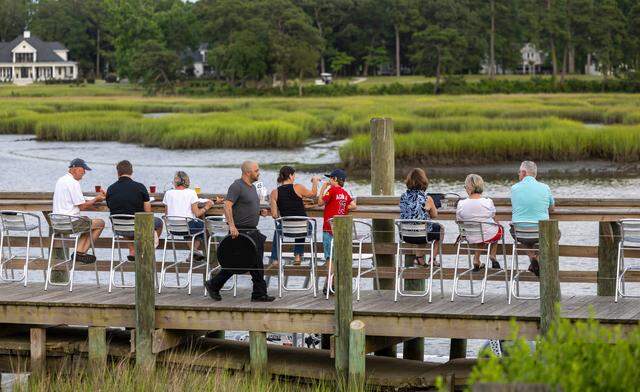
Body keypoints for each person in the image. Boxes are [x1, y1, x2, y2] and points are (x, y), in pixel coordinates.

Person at [205, 161, 275, 302]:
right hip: (241, 232)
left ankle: (258, 293)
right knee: (241, 262)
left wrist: (260, 212)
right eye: (256, 170)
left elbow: (246, 206)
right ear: (248, 172)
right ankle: (214, 284)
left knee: (253, 263)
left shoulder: (252, 187)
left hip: (252, 231)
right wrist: (232, 226)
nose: (258, 172)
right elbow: (227, 205)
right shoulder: (237, 186)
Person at [106, 160, 163, 261]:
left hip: (119, 228)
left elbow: (112, 208)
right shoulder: (140, 187)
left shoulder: (110, 189)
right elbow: (148, 213)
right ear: (131, 172)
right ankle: (148, 249)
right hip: (137, 226)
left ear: (117, 172)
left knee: (124, 219)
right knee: (158, 222)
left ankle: (132, 250)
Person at [52, 158, 106, 264]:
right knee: (100, 223)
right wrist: (96, 199)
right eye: (82, 170)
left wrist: (92, 199)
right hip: (70, 222)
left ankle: (79, 253)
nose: (84, 173)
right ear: (74, 169)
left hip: (57, 223)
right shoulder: (73, 183)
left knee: (87, 223)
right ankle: (80, 253)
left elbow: (74, 199)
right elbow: (82, 206)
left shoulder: (61, 180)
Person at [510, 160, 555, 276]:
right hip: (540, 231)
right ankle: (537, 257)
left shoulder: (514, 188)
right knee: (556, 233)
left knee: (519, 233)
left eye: (519, 172)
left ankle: (532, 258)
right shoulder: (545, 188)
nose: (518, 174)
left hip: (520, 232)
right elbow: (552, 208)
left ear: (524, 173)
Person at [269, 166, 320, 265]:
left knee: (278, 228)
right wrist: (315, 181)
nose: (294, 178)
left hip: (286, 230)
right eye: (294, 175)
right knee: (303, 223)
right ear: (290, 176)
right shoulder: (298, 187)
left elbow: (275, 215)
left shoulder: (274, 193)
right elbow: (313, 194)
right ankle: (297, 256)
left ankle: (275, 259)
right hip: (303, 228)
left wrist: (285, 215)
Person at [162, 171, 216, 261]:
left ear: (175, 182)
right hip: (187, 227)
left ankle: (193, 252)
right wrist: (207, 207)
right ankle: (207, 258)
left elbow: (166, 214)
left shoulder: (168, 193)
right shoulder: (191, 193)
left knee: (189, 226)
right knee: (205, 227)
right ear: (187, 181)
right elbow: (197, 213)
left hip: (172, 229)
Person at [456, 174, 503, 271]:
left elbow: (458, 220)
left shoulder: (461, 203)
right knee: (499, 229)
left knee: (480, 232)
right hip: (487, 234)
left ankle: (476, 259)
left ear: (468, 188)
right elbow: (493, 217)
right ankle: (493, 255)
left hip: (469, 235)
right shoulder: (488, 201)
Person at [398, 168, 443, 266]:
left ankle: (419, 258)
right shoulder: (427, 198)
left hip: (405, 235)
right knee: (439, 230)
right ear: (424, 181)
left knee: (421, 226)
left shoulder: (402, 196)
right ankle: (433, 259)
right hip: (421, 235)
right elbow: (434, 215)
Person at [318, 169, 356, 263]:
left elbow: (320, 203)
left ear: (334, 179)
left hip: (328, 229)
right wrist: (342, 206)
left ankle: (331, 277)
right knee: (339, 257)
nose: (329, 181)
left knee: (329, 258)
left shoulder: (331, 190)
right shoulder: (345, 193)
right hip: (340, 229)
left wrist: (323, 188)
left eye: (330, 178)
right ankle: (335, 276)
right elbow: (354, 205)